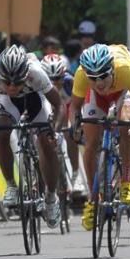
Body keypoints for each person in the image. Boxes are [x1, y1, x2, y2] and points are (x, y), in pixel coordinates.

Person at [0, 45, 64, 228]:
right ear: (0, 75)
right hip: (8, 105)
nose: (11, 87)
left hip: (36, 100)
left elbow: (58, 105)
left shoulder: (36, 73)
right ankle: (11, 185)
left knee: (45, 141)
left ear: (25, 74)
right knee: (0, 131)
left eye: (17, 83)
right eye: (6, 82)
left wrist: (53, 130)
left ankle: (50, 196)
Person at [68, 44, 130, 231]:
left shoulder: (126, 70)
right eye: (93, 78)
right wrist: (75, 125)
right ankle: (93, 198)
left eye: (103, 75)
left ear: (111, 69)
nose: (99, 82)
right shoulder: (81, 74)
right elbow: (74, 107)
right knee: (91, 143)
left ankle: (127, 180)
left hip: (123, 92)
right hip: (97, 99)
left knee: (125, 123)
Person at [40, 54, 82, 192]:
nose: (54, 83)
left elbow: (78, 106)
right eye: (49, 79)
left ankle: (76, 175)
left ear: (63, 75)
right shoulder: (38, 84)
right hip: (48, 109)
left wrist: (75, 126)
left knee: (70, 134)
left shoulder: (70, 83)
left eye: (58, 78)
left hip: (68, 107)